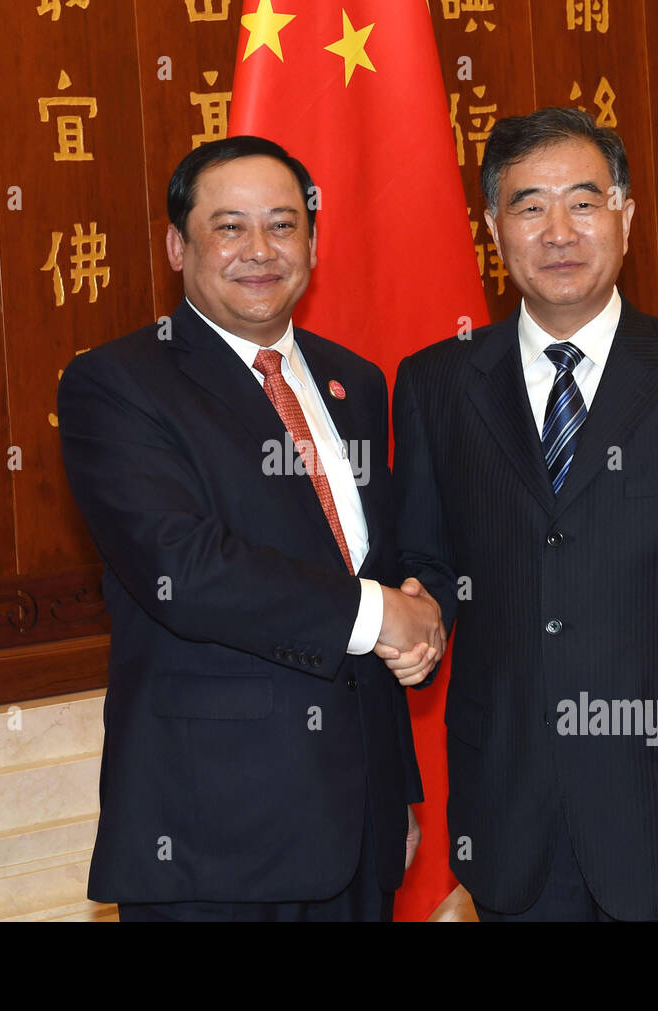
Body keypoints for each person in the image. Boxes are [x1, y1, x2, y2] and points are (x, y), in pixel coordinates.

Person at [389, 107, 658, 921]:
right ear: (492, 226)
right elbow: (427, 560)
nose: (559, 230)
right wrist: (420, 610)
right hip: (515, 823)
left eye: (584, 202)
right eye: (529, 206)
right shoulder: (436, 385)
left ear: (625, 215)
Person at [57, 136, 443, 922]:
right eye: (230, 227)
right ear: (177, 244)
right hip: (214, 838)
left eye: (284, 224)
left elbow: (377, 560)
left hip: (361, 831)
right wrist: (379, 616)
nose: (260, 251)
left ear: (312, 240)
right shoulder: (117, 383)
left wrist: (419, 633)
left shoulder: (356, 382)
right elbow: (188, 571)